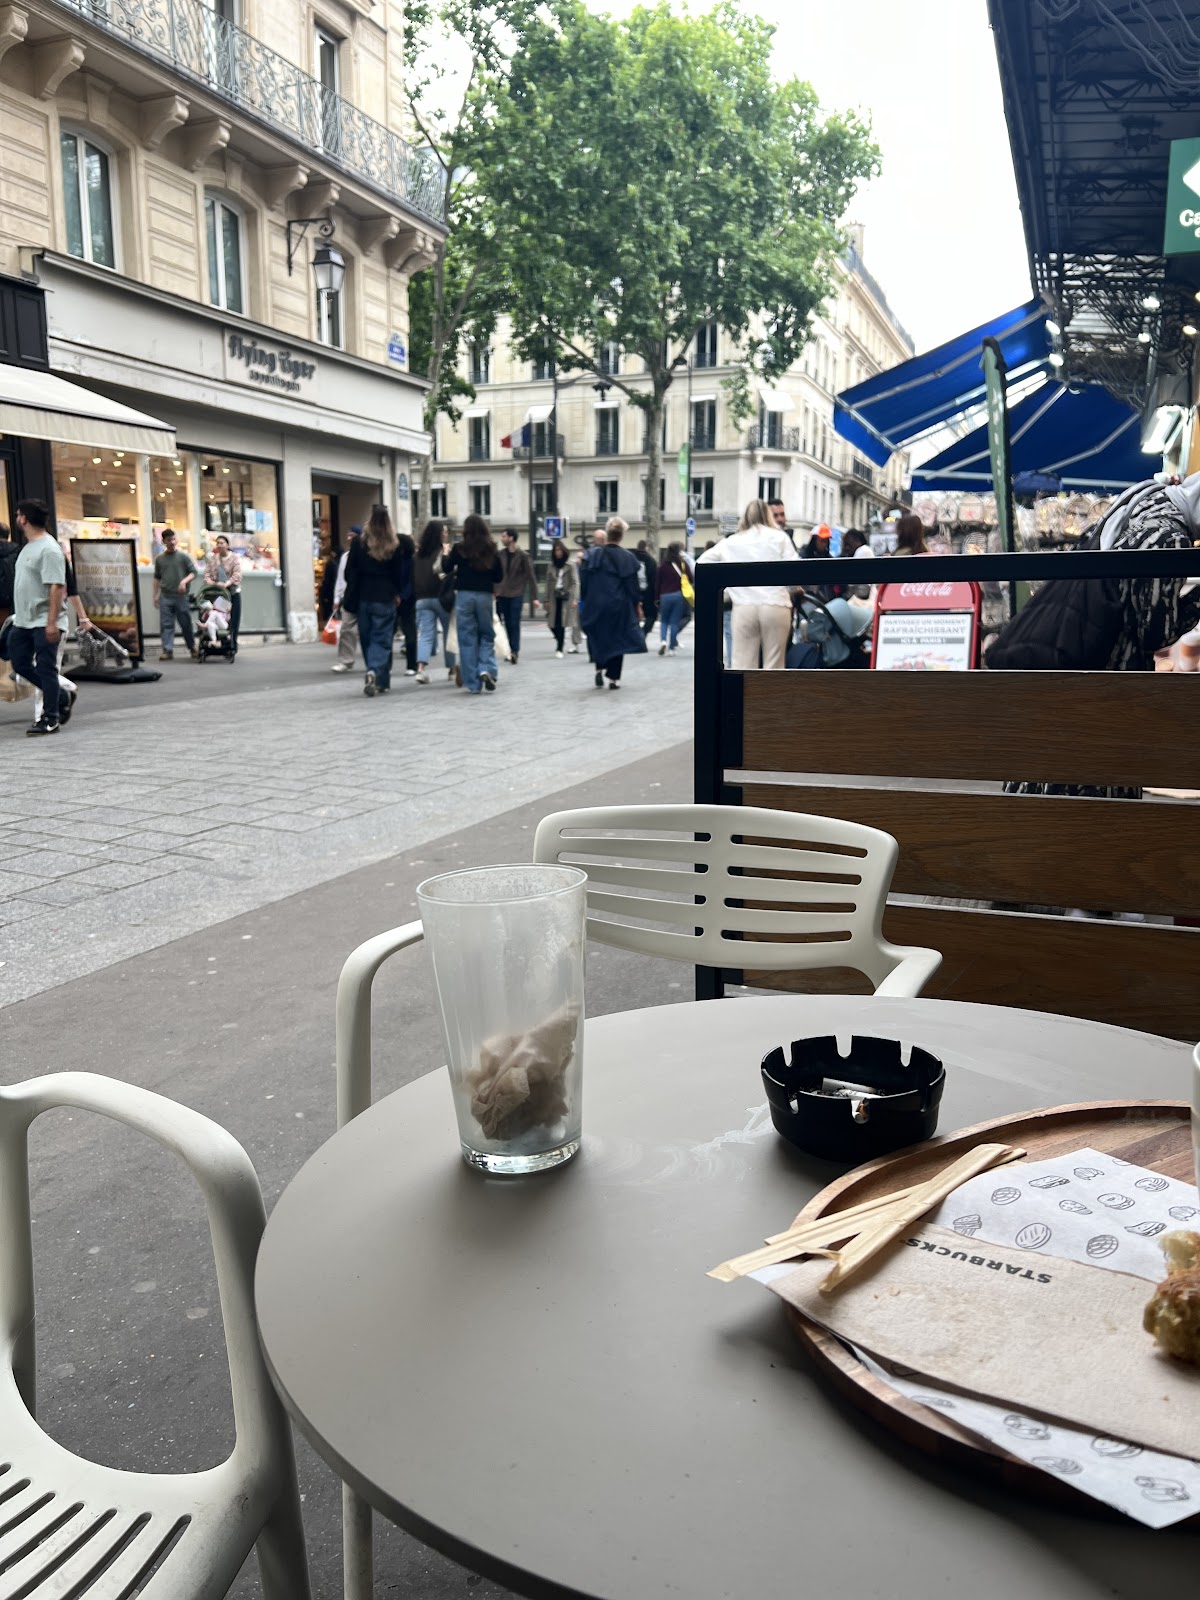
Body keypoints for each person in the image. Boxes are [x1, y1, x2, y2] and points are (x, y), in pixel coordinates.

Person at [697, 499, 801, 670]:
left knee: (742, 666)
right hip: (775, 604)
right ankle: (772, 697)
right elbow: (796, 572)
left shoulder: (732, 541)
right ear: (768, 515)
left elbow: (702, 563)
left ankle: (742, 697)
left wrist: (728, 589)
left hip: (744, 606)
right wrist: (794, 590)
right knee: (774, 665)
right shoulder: (780, 537)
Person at [7, 499, 68, 735]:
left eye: (18, 514)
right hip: (22, 621)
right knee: (20, 663)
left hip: (44, 621)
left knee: (46, 669)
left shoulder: (49, 549)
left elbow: (56, 586)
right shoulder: (28, 546)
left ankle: (50, 717)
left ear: (24, 518)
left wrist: (51, 623)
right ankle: (60, 694)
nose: (16, 518)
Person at [342, 506, 410, 697]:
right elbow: (398, 573)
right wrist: (397, 593)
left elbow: (349, 572)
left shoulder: (359, 543)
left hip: (364, 595)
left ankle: (377, 677)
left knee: (367, 638)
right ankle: (375, 672)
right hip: (385, 596)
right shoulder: (393, 543)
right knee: (382, 639)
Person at [579, 515, 646, 689]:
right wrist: (637, 604)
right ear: (621, 536)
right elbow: (632, 587)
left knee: (599, 636)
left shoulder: (592, 555)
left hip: (595, 602)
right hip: (618, 604)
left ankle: (599, 668)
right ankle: (613, 679)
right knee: (618, 638)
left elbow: (584, 581)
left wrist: (585, 600)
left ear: (607, 534)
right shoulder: (628, 558)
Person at [444, 513, 502, 693]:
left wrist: (446, 554)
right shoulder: (492, 548)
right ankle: (486, 667)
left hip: (464, 595)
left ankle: (473, 683)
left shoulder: (459, 548)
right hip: (484, 595)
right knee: (486, 634)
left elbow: (446, 568)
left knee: (467, 638)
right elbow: (499, 576)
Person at [413, 518, 457, 684]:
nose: (446, 534)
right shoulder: (443, 553)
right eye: (444, 532)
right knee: (448, 634)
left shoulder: (417, 556)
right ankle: (452, 669)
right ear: (439, 534)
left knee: (425, 634)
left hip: (422, 599)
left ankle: (421, 669)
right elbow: (449, 573)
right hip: (442, 598)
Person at [153, 529, 198, 660]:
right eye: (169, 540)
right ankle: (167, 650)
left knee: (186, 623)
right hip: (165, 596)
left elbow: (193, 572)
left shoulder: (183, 557)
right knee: (166, 624)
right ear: (164, 542)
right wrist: (155, 595)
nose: (172, 542)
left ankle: (192, 647)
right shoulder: (160, 559)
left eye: (173, 539)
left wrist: (184, 581)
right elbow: (156, 578)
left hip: (181, 597)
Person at [495, 529, 537, 664]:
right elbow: (495, 574)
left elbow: (531, 576)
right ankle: (509, 649)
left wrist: (535, 597)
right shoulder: (500, 554)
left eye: (504, 536)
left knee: (514, 622)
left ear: (511, 538)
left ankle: (514, 651)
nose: (502, 539)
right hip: (502, 594)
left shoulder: (523, 556)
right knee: (506, 623)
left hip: (516, 593)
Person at [204, 534, 242, 656]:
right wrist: (213, 584)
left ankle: (232, 645)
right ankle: (219, 642)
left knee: (233, 620)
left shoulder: (234, 558)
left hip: (232, 593)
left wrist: (227, 583)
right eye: (218, 543)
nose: (220, 545)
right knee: (219, 616)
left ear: (227, 545)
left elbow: (237, 575)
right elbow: (207, 575)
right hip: (218, 595)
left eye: (222, 543)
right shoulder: (213, 559)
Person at [543, 537, 580, 657]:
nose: (558, 552)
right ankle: (560, 639)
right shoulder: (551, 565)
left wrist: (574, 598)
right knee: (551, 623)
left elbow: (575, 582)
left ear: (563, 551)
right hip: (554, 596)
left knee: (561, 622)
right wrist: (546, 599)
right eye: (556, 550)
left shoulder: (571, 564)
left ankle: (559, 648)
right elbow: (548, 583)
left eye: (560, 550)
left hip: (566, 596)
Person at [330, 528, 360, 674]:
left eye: (352, 535)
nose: (348, 538)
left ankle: (374, 661)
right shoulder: (345, 556)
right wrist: (337, 598)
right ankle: (345, 660)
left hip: (365, 596)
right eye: (348, 535)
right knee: (347, 629)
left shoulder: (367, 554)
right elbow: (341, 579)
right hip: (349, 596)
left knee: (367, 631)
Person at [655, 542, 688, 656]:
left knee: (664, 621)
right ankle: (671, 649)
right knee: (674, 622)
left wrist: (656, 598)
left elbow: (657, 583)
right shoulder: (682, 564)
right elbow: (690, 579)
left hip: (665, 596)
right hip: (678, 595)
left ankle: (663, 641)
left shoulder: (662, 565)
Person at [396, 530, 418, 675]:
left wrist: (400, 596)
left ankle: (411, 665)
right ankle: (411, 666)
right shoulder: (408, 559)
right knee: (409, 631)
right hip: (405, 598)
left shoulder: (409, 561)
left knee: (409, 632)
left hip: (405, 599)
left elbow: (411, 581)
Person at [635, 539, 659, 636]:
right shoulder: (651, 561)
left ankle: (635, 633)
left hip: (634, 591)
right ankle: (643, 633)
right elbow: (654, 579)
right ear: (646, 548)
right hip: (648, 593)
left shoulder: (631, 558)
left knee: (633, 615)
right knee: (651, 615)